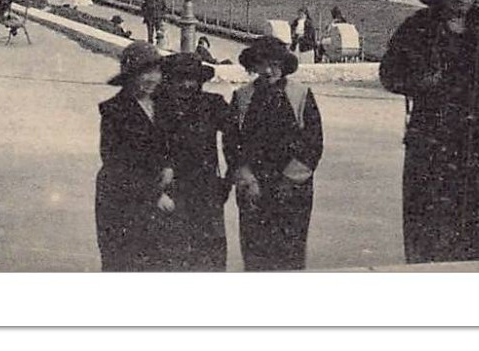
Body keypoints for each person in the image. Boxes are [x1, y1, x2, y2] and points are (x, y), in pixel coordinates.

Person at [378, 0, 479, 263]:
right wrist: (422, 80)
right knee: (434, 229)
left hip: (477, 139)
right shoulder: (418, 28)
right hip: (432, 140)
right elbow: (390, 74)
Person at [224, 36, 323, 270]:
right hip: (254, 187)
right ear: (253, 66)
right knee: (255, 252)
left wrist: (290, 181)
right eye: (262, 64)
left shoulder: (300, 94)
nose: (268, 70)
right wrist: (245, 176)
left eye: (275, 64)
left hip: (293, 189)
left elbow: (313, 141)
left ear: (284, 65)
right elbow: (231, 141)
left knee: (290, 252)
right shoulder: (242, 96)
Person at [95, 43, 176, 271]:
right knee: (125, 260)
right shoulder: (115, 111)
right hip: (123, 199)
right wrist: (154, 195)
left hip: (160, 195)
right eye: (144, 73)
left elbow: (172, 144)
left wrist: (170, 165)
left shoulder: (163, 104)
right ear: (130, 77)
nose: (152, 78)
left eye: (156, 72)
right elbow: (116, 162)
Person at [158, 53, 231, 271]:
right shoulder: (156, 108)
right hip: (169, 194)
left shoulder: (212, 104)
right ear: (169, 80)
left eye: (192, 79)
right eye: (180, 79)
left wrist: (227, 180)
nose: (187, 85)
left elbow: (238, 138)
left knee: (210, 259)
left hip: (207, 193)